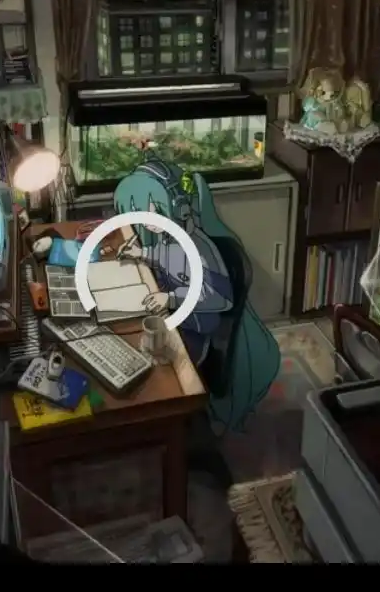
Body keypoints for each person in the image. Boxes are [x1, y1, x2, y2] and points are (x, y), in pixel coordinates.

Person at [112, 159, 280, 430]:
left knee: (147, 368)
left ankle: (168, 428)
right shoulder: (172, 237)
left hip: (195, 332)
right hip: (178, 318)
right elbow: (168, 257)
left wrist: (170, 298)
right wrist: (141, 253)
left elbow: (219, 297)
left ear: (175, 205)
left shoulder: (199, 247)